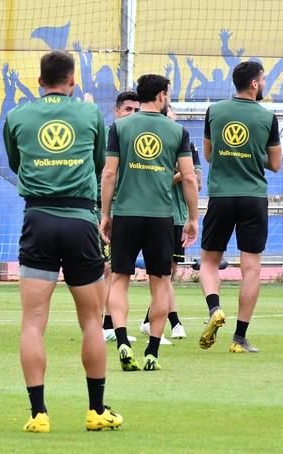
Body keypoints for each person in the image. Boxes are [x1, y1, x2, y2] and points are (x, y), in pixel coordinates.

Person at [4, 50, 122, 433]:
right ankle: (96, 410)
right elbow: (97, 162)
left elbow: (16, 163)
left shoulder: (18, 116)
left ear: (39, 82)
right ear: (72, 80)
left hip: (38, 219)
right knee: (91, 320)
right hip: (79, 220)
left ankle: (38, 415)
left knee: (33, 323)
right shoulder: (89, 114)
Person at [100, 74, 199, 372]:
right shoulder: (177, 131)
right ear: (160, 95)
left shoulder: (120, 127)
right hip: (161, 218)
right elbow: (190, 177)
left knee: (119, 279)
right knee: (160, 283)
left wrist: (106, 213)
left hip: (127, 214)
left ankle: (121, 341)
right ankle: (152, 351)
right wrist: (193, 218)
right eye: (167, 93)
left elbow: (109, 174)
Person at [199, 61, 281, 353]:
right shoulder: (267, 117)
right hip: (252, 197)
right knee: (252, 269)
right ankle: (239, 338)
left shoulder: (215, 111)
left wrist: (232, 154)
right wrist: (251, 154)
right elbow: (274, 164)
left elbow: (209, 155)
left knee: (209, 262)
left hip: (222, 195)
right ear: (255, 84)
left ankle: (214, 308)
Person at [139, 105, 202, 342]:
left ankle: (150, 321)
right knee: (162, 273)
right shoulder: (151, 144)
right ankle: (171, 322)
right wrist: (173, 174)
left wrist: (174, 174)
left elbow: (196, 180)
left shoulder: (187, 145)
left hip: (179, 215)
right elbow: (152, 178)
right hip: (157, 214)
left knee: (170, 272)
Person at [101, 91, 140, 343]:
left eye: (137, 110)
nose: (132, 115)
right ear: (117, 111)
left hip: (126, 212)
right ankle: (105, 325)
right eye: (128, 110)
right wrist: (101, 210)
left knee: (114, 271)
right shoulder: (108, 137)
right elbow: (103, 174)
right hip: (104, 211)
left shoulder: (137, 140)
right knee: (107, 269)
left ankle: (108, 325)